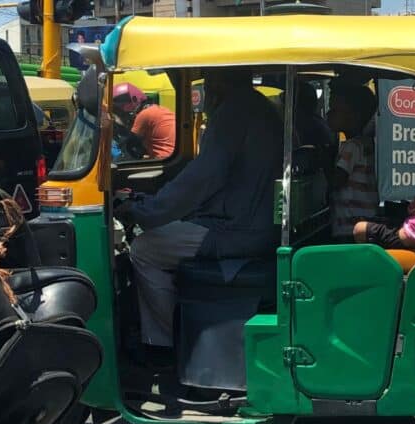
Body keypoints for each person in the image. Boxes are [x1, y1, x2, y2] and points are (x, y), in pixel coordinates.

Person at [114, 67, 283, 352]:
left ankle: (161, 345)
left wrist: (145, 210)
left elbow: (202, 179)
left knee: (145, 247)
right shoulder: (258, 108)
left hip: (236, 231)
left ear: (218, 82)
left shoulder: (233, 112)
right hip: (255, 223)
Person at [325, 84, 378, 241]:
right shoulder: (367, 143)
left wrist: (324, 161)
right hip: (365, 221)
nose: (328, 114)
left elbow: (337, 180)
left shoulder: (351, 146)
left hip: (348, 226)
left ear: (353, 115)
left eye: (334, 110)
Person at [354, 172, 415, 249]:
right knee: (371, 220)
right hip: (409, 229)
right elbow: (412, 209)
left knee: (360, 228)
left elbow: (412, 209)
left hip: (405, 237)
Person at [112, 83, 176, 160]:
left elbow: (130, 142)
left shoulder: (144, 115)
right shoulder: (159, 110)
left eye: (125, 101)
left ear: (135, 98)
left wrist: (118, 123)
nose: (123, 108)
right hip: (173, 156)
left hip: (163, 159)